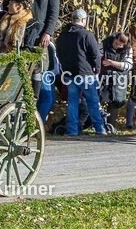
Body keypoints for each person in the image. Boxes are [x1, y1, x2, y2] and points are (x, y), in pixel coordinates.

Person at [56, 8, 106, 136]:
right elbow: (95, 54)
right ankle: (99, 129)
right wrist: (97, 68)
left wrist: (65, 68)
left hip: (70, 74)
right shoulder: (86, 35)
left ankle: (72, 130)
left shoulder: (63, 35)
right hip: (86, 74)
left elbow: (59, 53)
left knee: (72, 102)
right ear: (83, 20)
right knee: (93, 102)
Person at [100, 32, 132, 122]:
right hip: (104, 77)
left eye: (121, 45)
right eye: (116, 43)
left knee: (116, 102)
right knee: (99, 99)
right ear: (114, 38)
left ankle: (111, 126)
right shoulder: (104, 44)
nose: (117, 46)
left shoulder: (128, 49)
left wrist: (111, 63)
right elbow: (97, 58)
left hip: (119, 79)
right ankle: (98, 124)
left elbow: (128, 65)